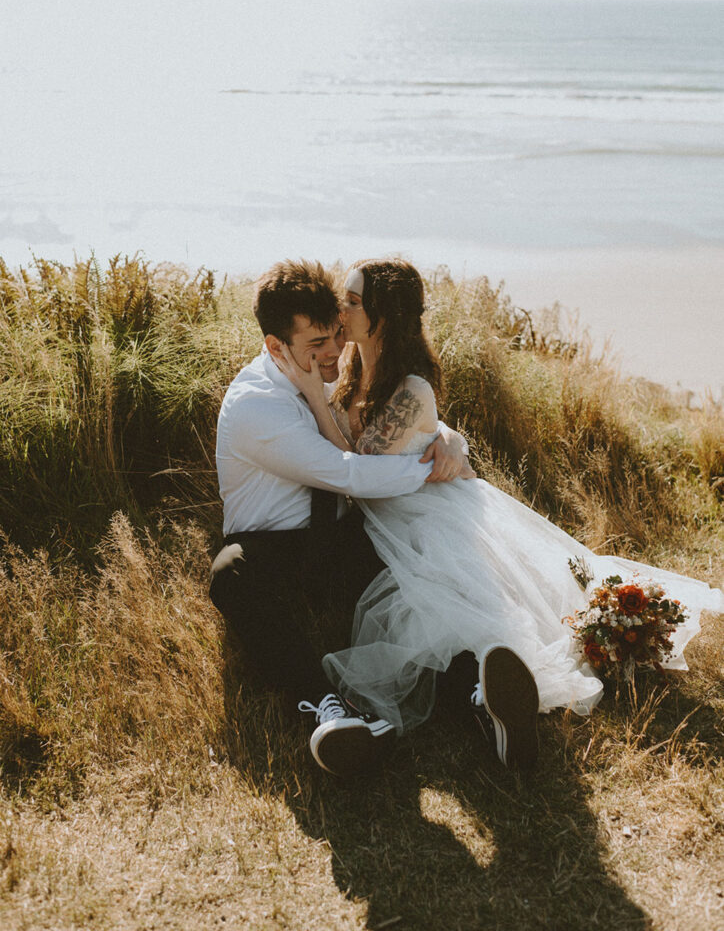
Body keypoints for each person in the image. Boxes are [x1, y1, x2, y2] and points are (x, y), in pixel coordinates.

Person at [276, 258, 724, 771]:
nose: (341, 308)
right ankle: (485, 699)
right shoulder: (355, 369)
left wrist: (319, 403)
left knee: (458, 602)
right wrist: (446, 435)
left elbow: (357, 466)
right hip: (388, 516)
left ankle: (495, 694)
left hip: (426, 513)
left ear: (385, 315)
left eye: (353, 301)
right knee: (437, 608)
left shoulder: (410, 387)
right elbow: (389, 445)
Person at [209, 259, 473, 779]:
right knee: (229, 575)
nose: (332, 352)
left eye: (334, 335)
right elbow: (347, 471)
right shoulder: (256, 407)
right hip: (272, 545)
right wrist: (425, 471)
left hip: (336, 537)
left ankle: (473, 686)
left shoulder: (324, 375)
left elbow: (385, 421)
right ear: (275, 348)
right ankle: (326, 709)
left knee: (409, 557)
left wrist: (448, 440)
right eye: (316, 346)